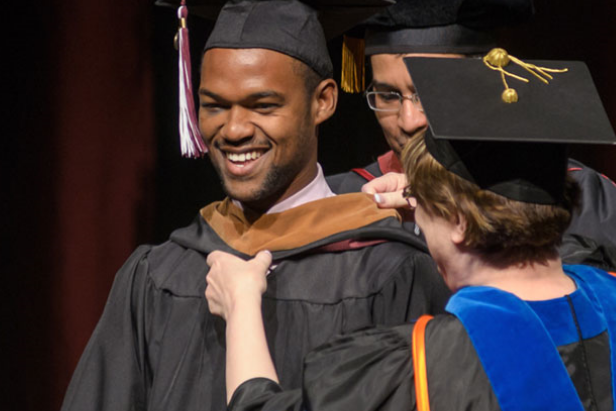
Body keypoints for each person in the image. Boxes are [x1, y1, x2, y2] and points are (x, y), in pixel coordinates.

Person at [60, 1, 449, 411]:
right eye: (215, 105)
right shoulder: (157, 276)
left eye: (263, 106)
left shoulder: (393, 274)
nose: (234, 130)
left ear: (324, 102)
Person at [205, 56, 616, 410]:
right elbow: (575, 256)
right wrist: (436, 205)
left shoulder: (422, 366)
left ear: (458, 223)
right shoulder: (604, 293)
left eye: (422, 202)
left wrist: (241, 305)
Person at [326, 0, 616, 269]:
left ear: (486, 84)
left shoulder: (574, 194)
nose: (409, 120)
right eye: (388, 96)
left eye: (431, 93)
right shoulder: (345, 200)